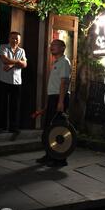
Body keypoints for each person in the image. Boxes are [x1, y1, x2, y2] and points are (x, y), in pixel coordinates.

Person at [36, 39, 72, 167]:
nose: (52, 47)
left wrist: (61, 102)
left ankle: (60, 159)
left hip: (60, 98)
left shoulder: (64, 62)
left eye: (55, 45)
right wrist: (47, 106)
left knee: (59, 129)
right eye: (51, 45)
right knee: (49, 129)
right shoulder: (56, 63)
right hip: (54, 98)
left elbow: (64, 83)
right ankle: (49, 155)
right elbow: (54, 87)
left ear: (63, 48)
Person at [0, 31, 27, 134]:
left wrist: (12, 64)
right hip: (3, 80)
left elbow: (25, 64)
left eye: (17, 39)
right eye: (13, 38)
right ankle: (0, 127)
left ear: (19, 40)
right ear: (9, 39)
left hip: (17, 82)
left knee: (15, 106)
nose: (15, 40)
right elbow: (4, 60)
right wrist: (18, 62)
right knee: (2, 104)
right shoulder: (3, 47)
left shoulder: (22, 50)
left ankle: (13, 127)